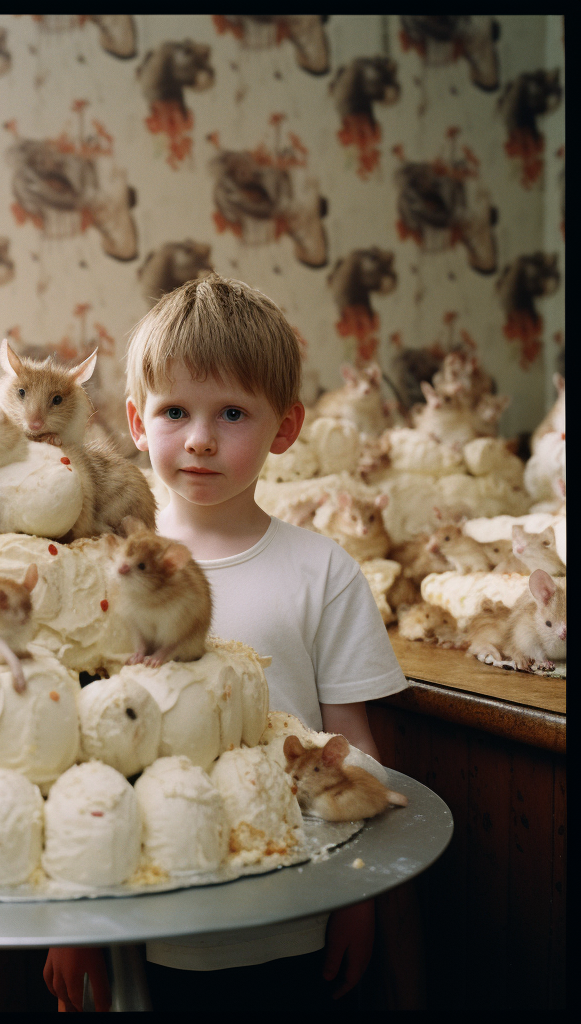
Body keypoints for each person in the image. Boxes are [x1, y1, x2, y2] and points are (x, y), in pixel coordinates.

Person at [43, 275, 408, 1011]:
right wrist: (70, 914)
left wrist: (359, 893)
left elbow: (354, 743)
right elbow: (74, 751)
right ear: (137, 423)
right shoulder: (93, 568)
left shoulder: (323, 571)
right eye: (175, 411)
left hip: (294, 909)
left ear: (285, 426)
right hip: (140, 911)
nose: (201, 438)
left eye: (233, 412)